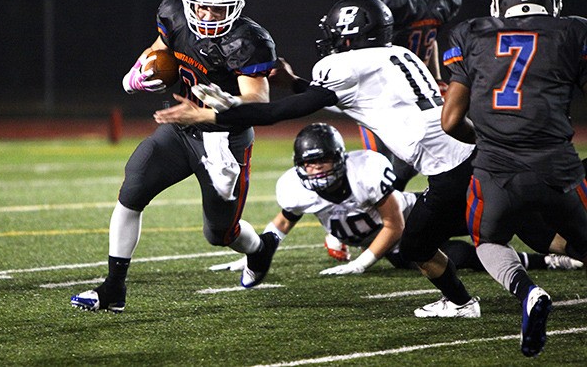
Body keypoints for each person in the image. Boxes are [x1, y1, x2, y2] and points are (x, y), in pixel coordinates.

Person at [153, 0, 483, 318]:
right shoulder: (401, 54)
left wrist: (209, 117)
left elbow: (275, 113)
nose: (330, 40)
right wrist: (295, 82)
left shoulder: (343, 65)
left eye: (336, 33)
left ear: (351, 36)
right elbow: (342, 97)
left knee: (419, 245)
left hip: (447, 168)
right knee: (483, 224)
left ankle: (465, 302)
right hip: (470, 153)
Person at [70, 0, 279, 313]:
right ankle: (113, 288)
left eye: (218, 10)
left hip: (224, 140)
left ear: (237, 7)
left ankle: (260, 249)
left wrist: (226, 102)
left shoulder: (248, 40)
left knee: (220, 233)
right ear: (187, 1)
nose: (208, 17)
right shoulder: (174, 14)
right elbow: (159, 50)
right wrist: (137, 72)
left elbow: (257, 99)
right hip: (181, 129)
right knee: (133, 187)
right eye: (201, 8)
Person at [441, 0, 587, 357]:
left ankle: (527, 291)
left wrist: (487, 137)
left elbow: (451, 121)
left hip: (495, 171)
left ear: (497, 0)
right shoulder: (574, 31)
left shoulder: (471, 34)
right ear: (553, 0)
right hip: (558, 168)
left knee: (487, 239)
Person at [210, 124, 582, 276]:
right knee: (448, 258)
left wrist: (363, 262)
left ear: (340, 161)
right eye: (311, 164)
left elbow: (394, 222)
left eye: (324, 163)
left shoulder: (365, 172)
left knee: (495, 220)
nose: (319, 171)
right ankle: (547, 260)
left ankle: (563, 227)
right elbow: (285, 219)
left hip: (413, 215)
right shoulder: (296, 186)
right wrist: (258, 250)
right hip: (393, 245)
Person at [360, 0, 462, 190]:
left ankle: (395, 215)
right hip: (381, 91)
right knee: (378, 166)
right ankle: (367, 224)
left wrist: (437, 77)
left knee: (411, 161)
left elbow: (431, 39)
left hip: (416, 89)